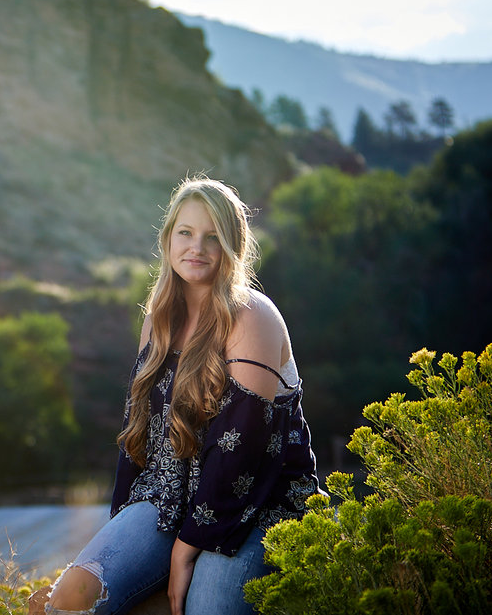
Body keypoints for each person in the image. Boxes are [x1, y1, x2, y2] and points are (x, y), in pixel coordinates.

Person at [34, 177, 320, 615]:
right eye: (185, 233)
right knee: (69, 599)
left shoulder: (253, 317)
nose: (197, 247)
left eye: (213, 237)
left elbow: (239, 451)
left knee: (205, 606)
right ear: (168, 239)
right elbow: (140, 435)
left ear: (233, 245)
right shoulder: (159, 319)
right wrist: (125, 528)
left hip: (257, 504)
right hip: (168, 493)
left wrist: (186, 549)